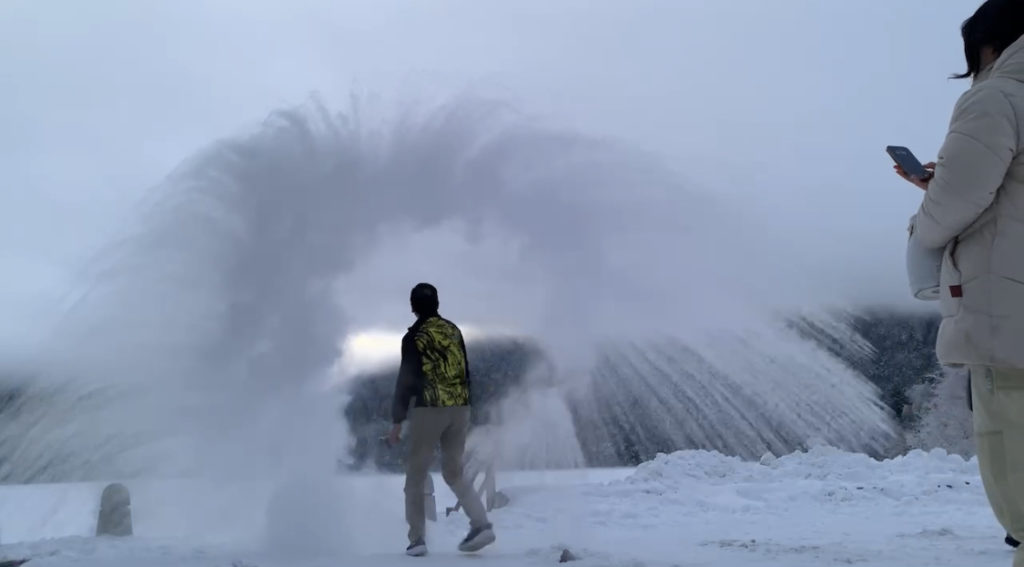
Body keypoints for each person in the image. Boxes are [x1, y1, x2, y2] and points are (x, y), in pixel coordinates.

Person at [897, 1, 1024, 564]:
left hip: (1010, 318)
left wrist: (923, 222)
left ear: (990, 46)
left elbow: (958, 203)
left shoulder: (998, 97)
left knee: (1012, 453)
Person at [388, 282, 495, 557]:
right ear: (437, 304)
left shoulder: (414, 337)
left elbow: (407, 379)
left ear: (413, 306)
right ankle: (481, 524)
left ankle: (417, 540)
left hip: (430, 407)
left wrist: (397, 420)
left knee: (416, 475)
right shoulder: (453, 330)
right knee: (454, 471)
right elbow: (465, 370)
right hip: (460, 407)